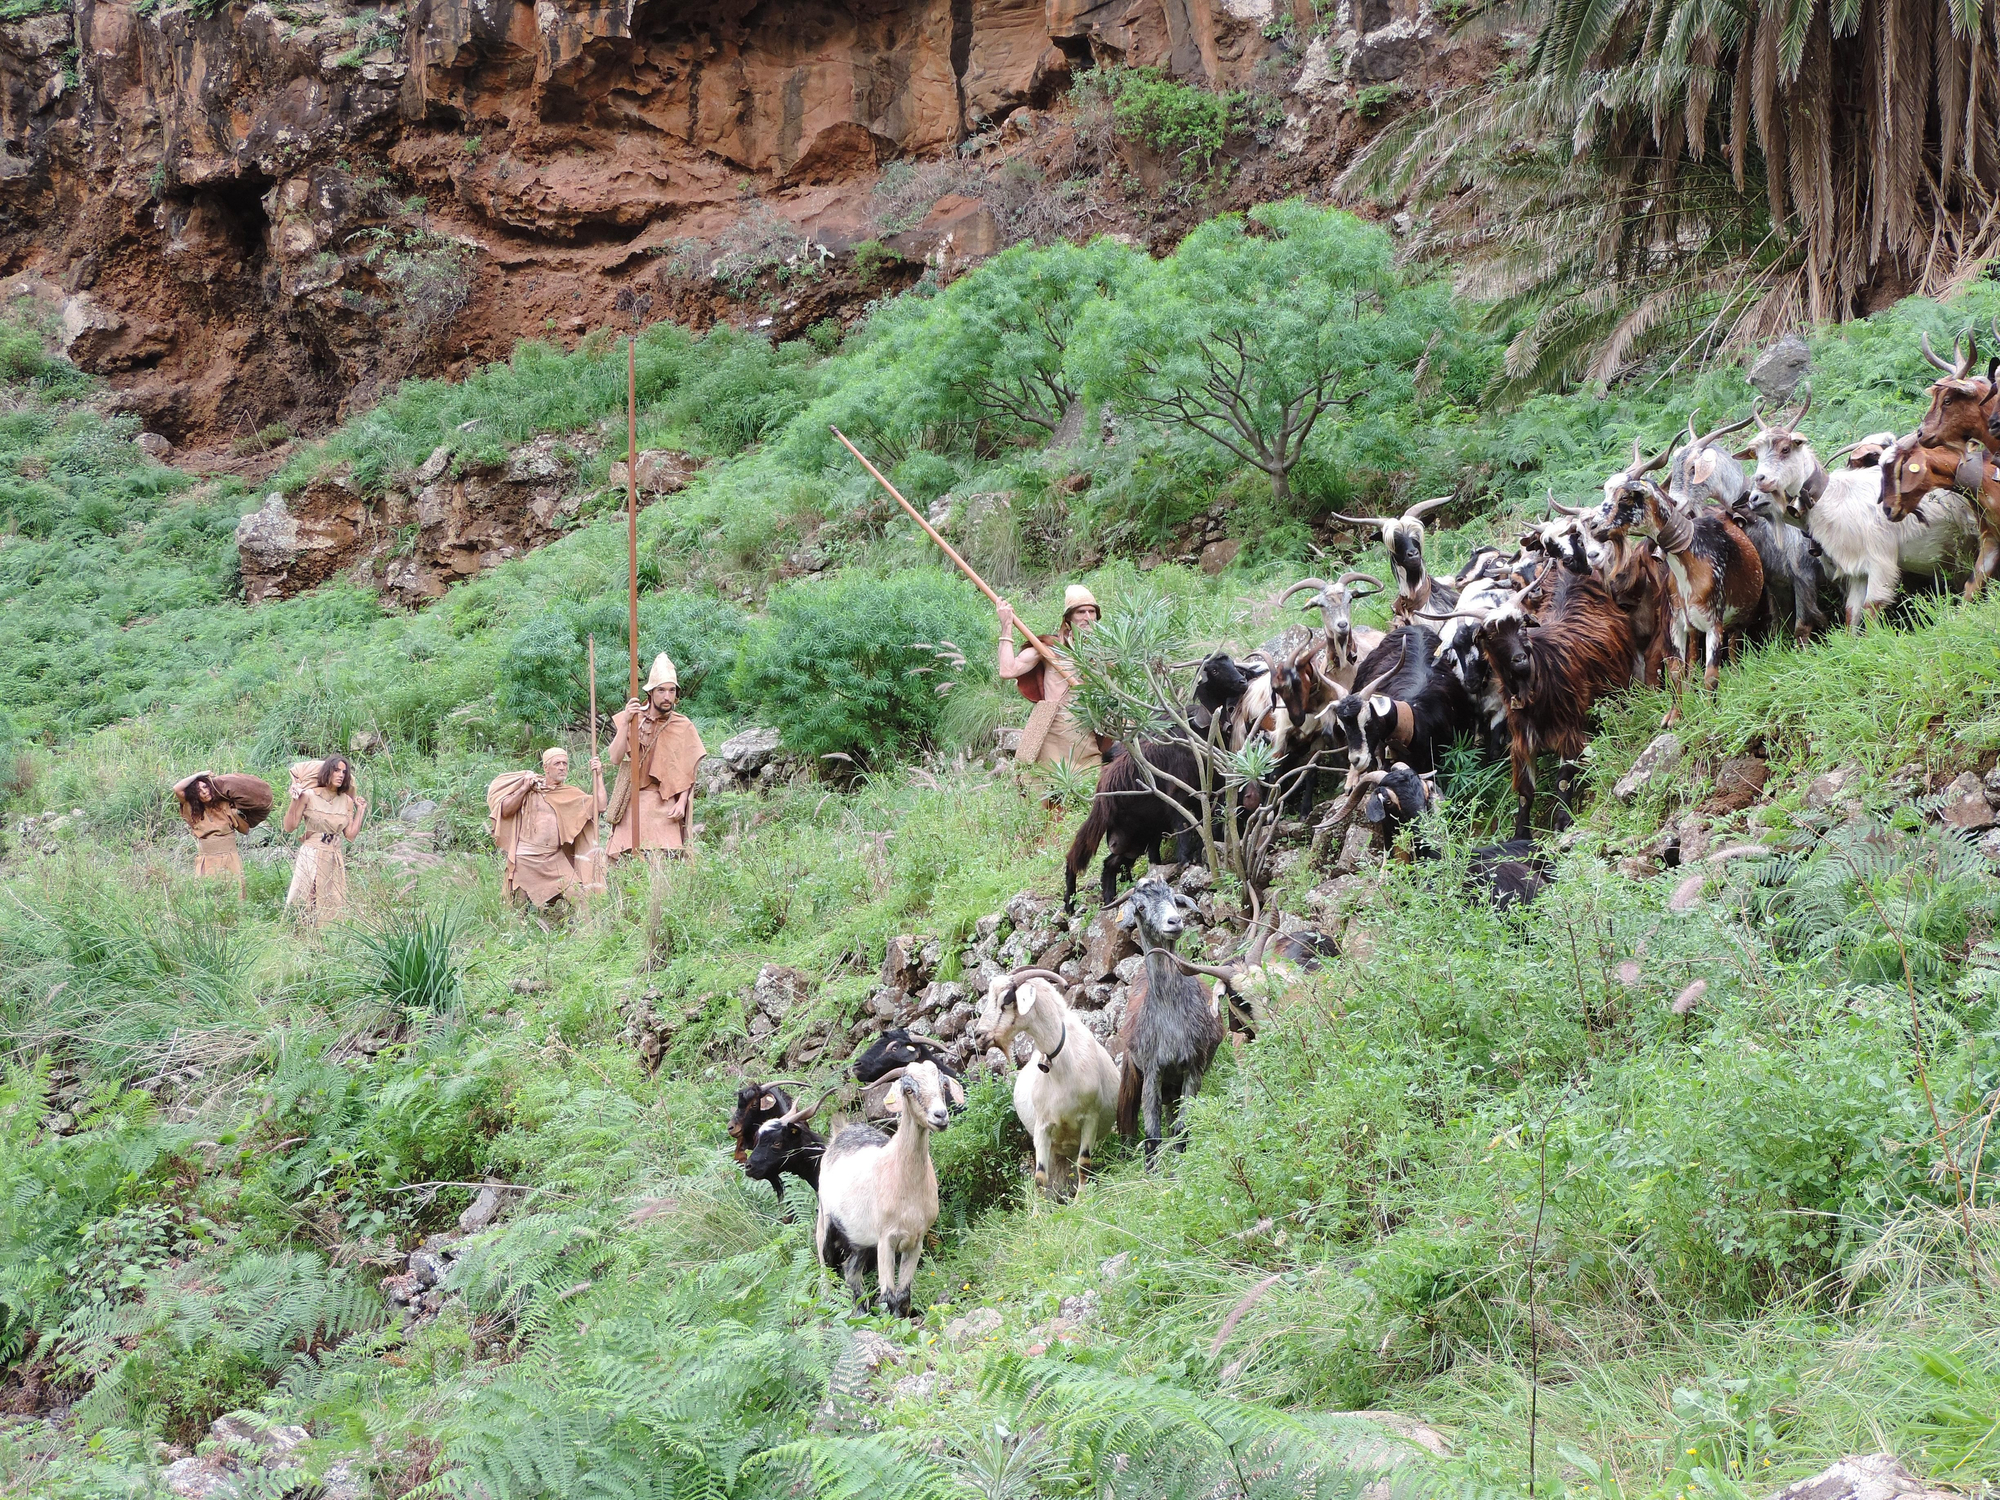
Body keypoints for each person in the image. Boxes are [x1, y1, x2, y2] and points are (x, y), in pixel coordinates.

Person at [997, 583, 1108, 769]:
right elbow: (1007, 670)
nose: (1087, 617)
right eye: (1081, 612)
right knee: (1048, 795)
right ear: (1068, 620)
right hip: (1054, 736)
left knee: (1093, 790)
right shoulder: (1050, 649)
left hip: (1085, 738)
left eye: (1092, 612)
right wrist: (1006, 626)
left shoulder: (1103, 655)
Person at [607, 654, 706, 859]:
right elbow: (615, 758)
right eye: (661, 690)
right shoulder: (635, 719)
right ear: (651, 692)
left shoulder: (682, 725)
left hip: (665, 802)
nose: (667, 696)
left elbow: (687, 771)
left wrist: (682, 802)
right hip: (634, 802)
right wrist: (625, 721)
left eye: (671, 690)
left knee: (664, 862)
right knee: (626, 864)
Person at [487, 747, 605, 908]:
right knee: (516, 910)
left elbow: (601, 806)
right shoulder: (531, 790)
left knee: (580, 898)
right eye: (557, 763)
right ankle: (516, 933)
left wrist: (598, 775)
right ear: (545, 768)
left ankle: (588, 933)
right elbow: (505, 811)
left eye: (565, 763)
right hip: (525, 858)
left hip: (553, 858)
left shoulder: (570, 794)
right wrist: (524, 788)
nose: (562, 767)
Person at [282, 755, 366, 925]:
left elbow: (350, 835)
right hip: (312, 852)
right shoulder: (308, 795)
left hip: (333, 854)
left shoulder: (347, 801)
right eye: (336, 770)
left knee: (330, 899)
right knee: (307, 894)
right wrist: (294, 799)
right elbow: (289, 827)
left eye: (344, 772)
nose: (341, 775)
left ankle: (326, 937)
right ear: (327, 772)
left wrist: (361, 810)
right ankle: (300, 933)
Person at [170, 772, 273, 898]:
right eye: (199, 790)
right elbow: (177, 788)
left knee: (234, 897)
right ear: (195, 795)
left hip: (230, 858)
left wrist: (236, 815)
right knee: (208, 897)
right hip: (207, 860)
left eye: (205, 787)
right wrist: (201, 774)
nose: (204, 792)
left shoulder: (224, 806)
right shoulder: (191, 811)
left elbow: (245, 830)